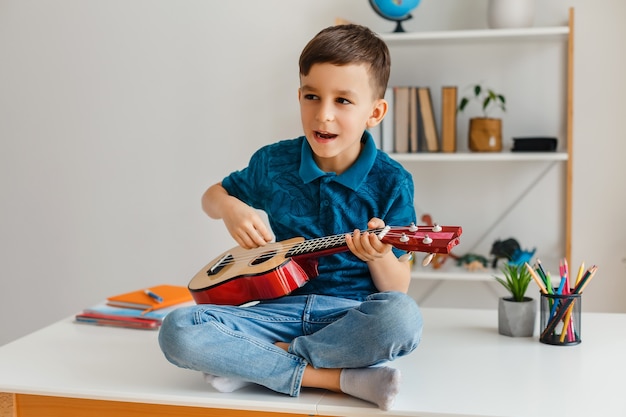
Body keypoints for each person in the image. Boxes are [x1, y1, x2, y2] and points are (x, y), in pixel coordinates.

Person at [158, 24, 422, 411]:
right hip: (273, 311)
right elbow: (211, 196)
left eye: (343, 101)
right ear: (299, 96)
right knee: (178, 330)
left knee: (403, 319)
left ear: (375, 112)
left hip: (348, 316)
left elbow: (397, 289)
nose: (324, 115)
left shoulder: (392, 181)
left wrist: (379, 255)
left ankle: (260, 363)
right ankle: (334, 378)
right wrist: (232, 208)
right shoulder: (273, 162)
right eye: (312, 97)